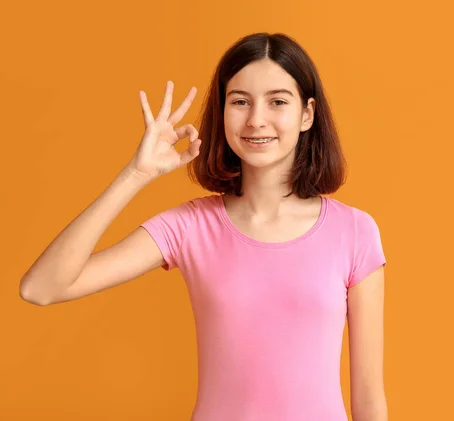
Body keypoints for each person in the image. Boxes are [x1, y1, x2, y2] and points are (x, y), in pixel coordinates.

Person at [19, 32, 388, 421]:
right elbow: (41, 288)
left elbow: (368, 400)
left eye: (277, 101)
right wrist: (135, 175)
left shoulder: (355, 232)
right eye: (240, 102)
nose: (256, 119)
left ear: (307, 114)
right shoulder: (191, 227)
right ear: (222, 111)